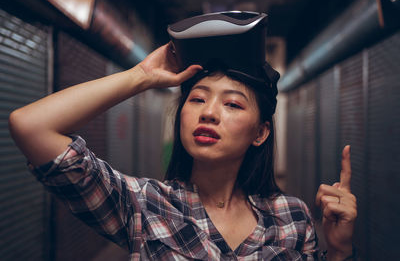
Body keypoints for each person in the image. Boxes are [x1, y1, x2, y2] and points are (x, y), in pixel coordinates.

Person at [9, 26, 357, 261]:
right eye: (197, 99)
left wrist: (339, 252)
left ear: (260, 133)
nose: (209, 113)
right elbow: (31, 126)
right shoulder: (144, 206)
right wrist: (141, 77)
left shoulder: (293, 219)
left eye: (232, 104)